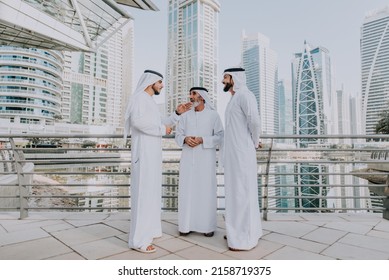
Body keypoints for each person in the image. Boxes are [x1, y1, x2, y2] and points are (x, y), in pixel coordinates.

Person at [124, 69, 191, 253]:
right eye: (160, 82)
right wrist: (162, 129)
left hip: (152, 156)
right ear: (150, 82)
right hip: (143, 155)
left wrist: (177, 114)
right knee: (143, 196)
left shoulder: (150, 102)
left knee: (151, 195)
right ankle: (139, 241)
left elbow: (161, 121)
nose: (162, 85)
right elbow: (138, 122)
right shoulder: (139, 99)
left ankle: (150, 230)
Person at [221, 67, 263, 251]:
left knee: (242, 193)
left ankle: (244, 238)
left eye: (225, 77)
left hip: (243, 153)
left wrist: (255, 141)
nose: (223, 81)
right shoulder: (233, 99)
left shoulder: (246, 95)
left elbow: (254, 121)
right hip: (233, 154)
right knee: (234, 193)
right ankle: (236, 231)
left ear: (234, 78)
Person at [175, 87, 224, 237]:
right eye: (190, 94)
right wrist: (185, 139)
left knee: (205, 192)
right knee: (187, 191)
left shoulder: (213, 115)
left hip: (206, 160)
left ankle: (207, 226)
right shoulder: (184, 116)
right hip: (188, 159)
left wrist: (203, 140)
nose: (191, 97)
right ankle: (186, 226)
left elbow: (220, 136)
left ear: (202, 97)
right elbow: (178, 134)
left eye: (194, 94)